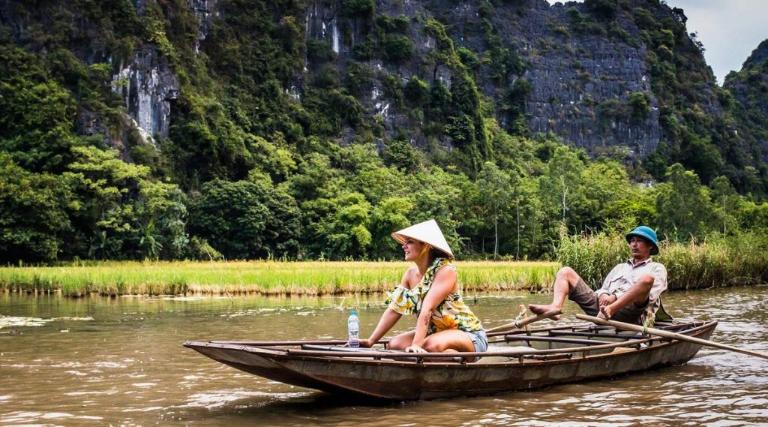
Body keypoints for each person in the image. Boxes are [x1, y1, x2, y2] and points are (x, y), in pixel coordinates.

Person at [359, 219, 488, 355]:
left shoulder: (445, 270)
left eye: (410, 242)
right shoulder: (410, 274)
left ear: (425, 246)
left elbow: (428, 309)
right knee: (395, 344)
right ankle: (447, 355)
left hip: (468, 334)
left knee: (430, 345)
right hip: (436, 333)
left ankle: (452, 358)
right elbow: (394, 310)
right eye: (405, 242)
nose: (404, 246)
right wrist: (371, 341)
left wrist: (416, 345)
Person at [529, 226, 667, 325]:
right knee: (565, 271)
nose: (634, 245)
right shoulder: (620, 267)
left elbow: (651, 296)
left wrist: (614, 299)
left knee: (647, 279)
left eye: (639, 241)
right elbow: (603, 288)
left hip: (631, 314)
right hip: (601, 309)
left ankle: (611, 310)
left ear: (650, 246)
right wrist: (603, 295)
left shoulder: (656, 268)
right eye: (632, 241)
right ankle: (555, 307)